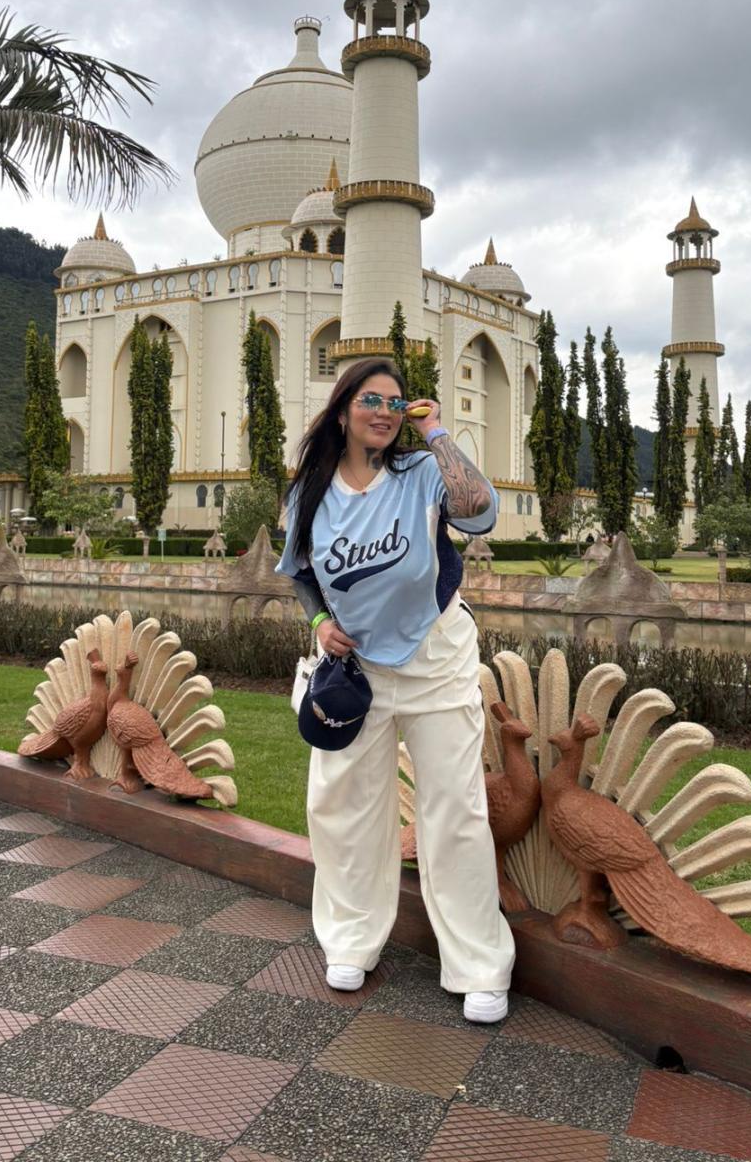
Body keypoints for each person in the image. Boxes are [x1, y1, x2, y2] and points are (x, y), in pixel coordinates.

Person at [276, 357, 515, 1023]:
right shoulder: (310, 491)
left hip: (434, 655)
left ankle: (478, 963)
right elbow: (300, 573)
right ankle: (351, 938)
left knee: (455, 807)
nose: (383, 412)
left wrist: (436, 432)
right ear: (342, 410)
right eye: (370, 400)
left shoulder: (419, 473)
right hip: (355, 670)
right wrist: (320, 624)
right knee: (344, 804)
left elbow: (478, 511)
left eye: (394, 402)